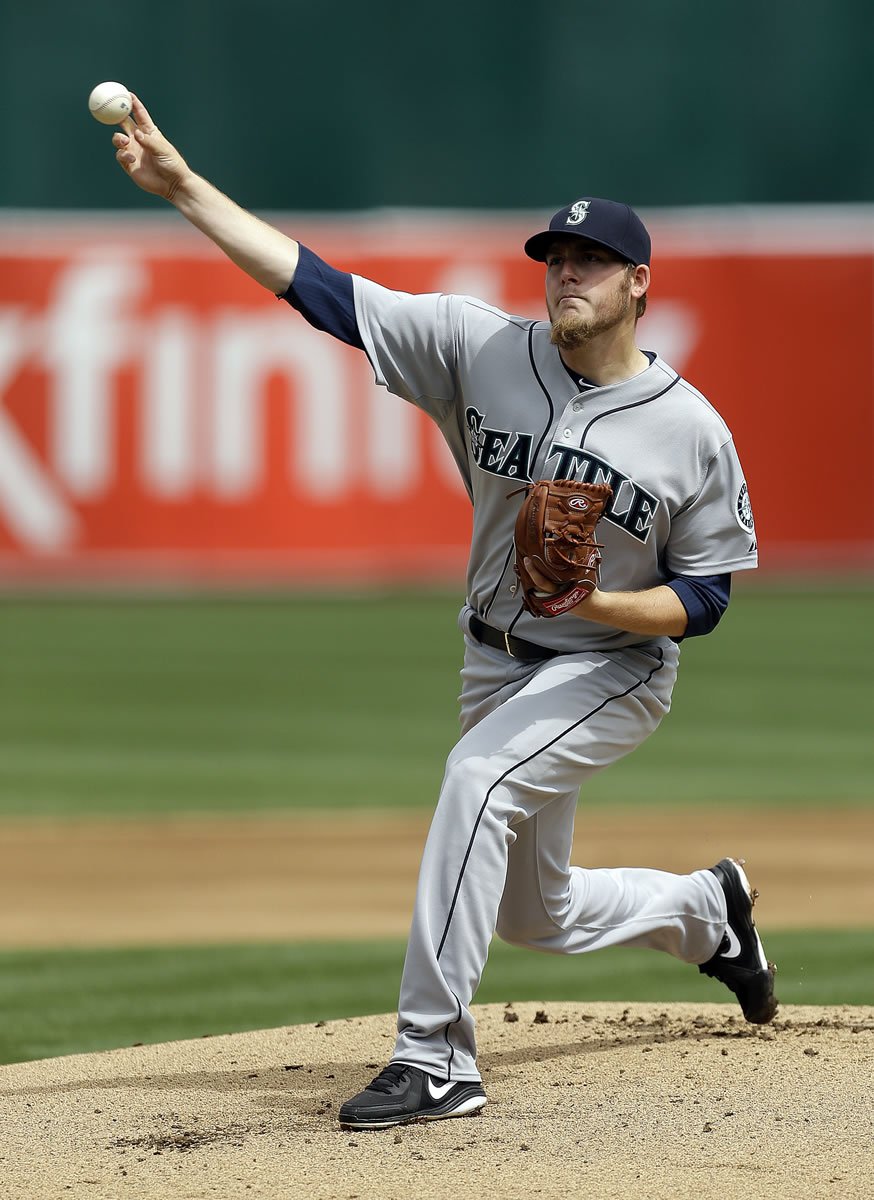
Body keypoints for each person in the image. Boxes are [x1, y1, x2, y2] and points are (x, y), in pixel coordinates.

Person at [111, 95, 777, 1131]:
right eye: (555, 255)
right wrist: (184, 188)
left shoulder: (690, 431)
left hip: (611, 666)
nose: (567, 271)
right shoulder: (478, 347)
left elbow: (707, 598)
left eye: (591, 259)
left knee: (476, 781)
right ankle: (706, 912)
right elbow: (321, 292)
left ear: (639, 284)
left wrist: (595, 596)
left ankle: (434, 1059)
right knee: (534, 913)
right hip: (493, 658)